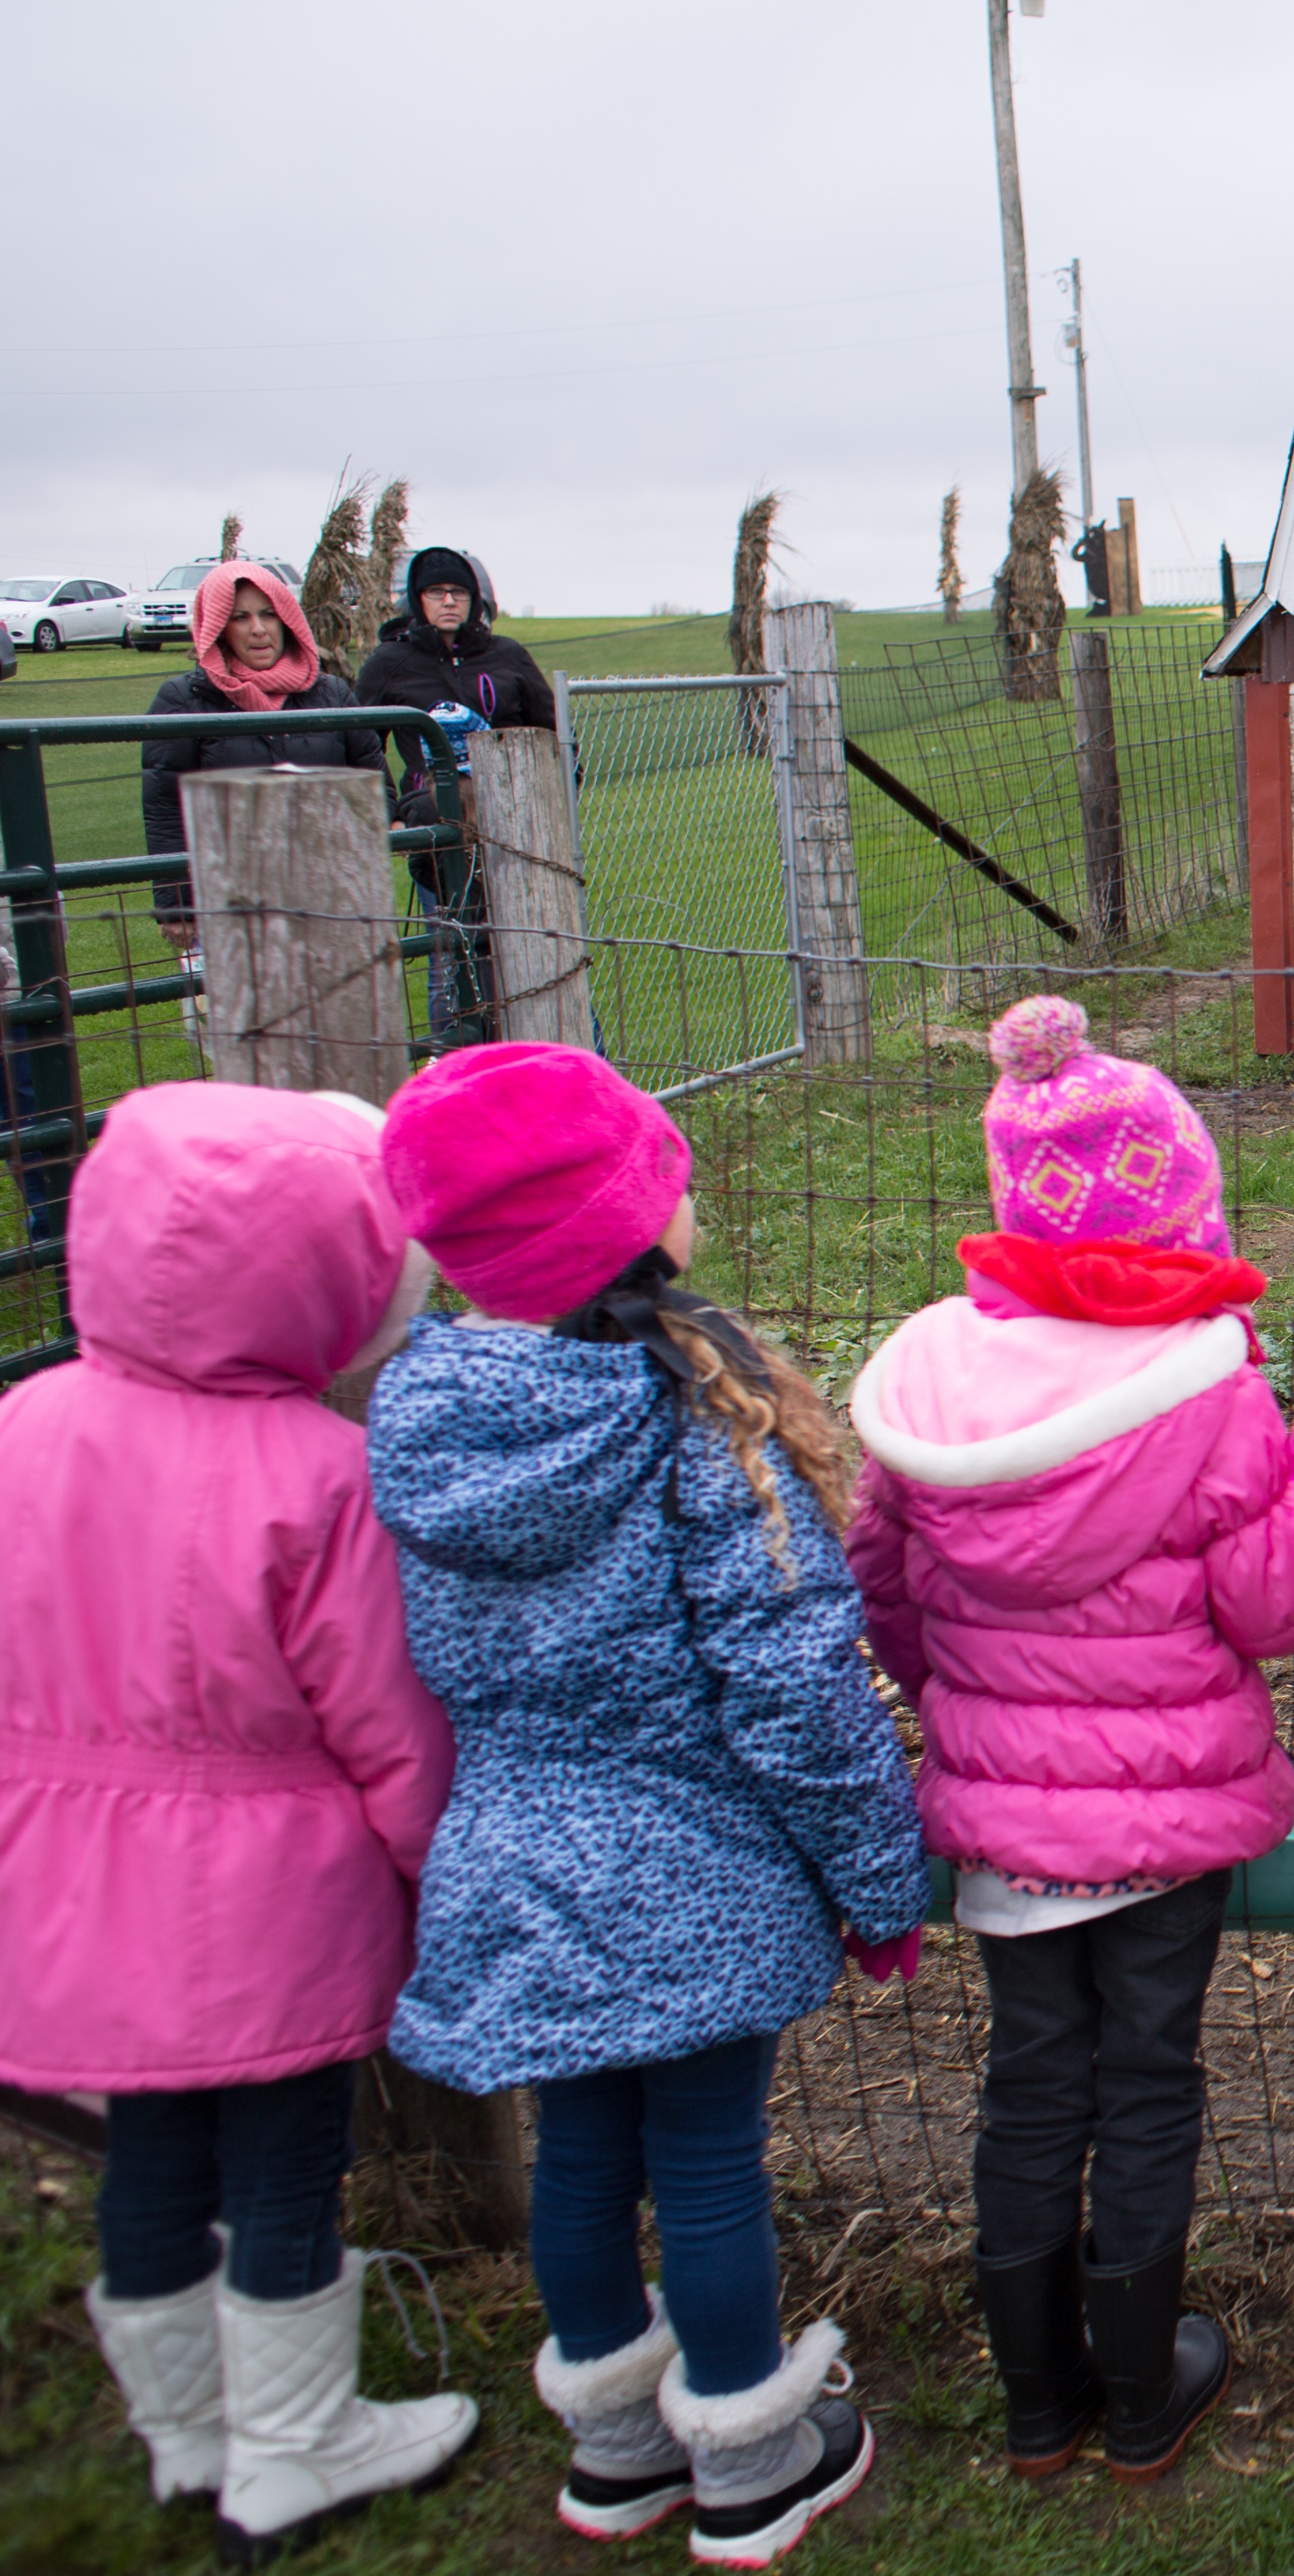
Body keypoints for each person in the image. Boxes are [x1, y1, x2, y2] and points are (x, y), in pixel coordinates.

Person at [368, 1044, 927, 2567]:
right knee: (702, 2163)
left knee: (581, 2157)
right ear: (623, 1226)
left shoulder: (420, 1417)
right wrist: (882, 1886)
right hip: (695, 1865)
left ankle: (617, 2449)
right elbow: (795, 1686)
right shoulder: (687, 1420)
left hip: (514, 1854)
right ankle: (750, 2453)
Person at [845, 996, 1294, 2484]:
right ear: (1182, 1208)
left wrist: (960, 1716)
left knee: (1031, 2081)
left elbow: (887, 1585)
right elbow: (1267, 1607)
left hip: (1006, 1824)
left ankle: (1034, 2396)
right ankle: (1142, 2382)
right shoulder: (1209, 1389)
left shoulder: (931, 1399)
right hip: (1167, 1816)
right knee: (1148, 2082)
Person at [0, 1083, 475, 2558]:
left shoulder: (24, 1427)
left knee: (149, 2154)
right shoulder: (322, 1479)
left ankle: (182, 2432)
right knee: (284, 2160)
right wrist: (438, 1868)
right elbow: (386, 1721)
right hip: (274, 1902)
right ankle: (295, 2441)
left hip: (70, 1886)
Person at [354, 547, 554, 1048]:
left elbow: (551, 733)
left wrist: (557, 796)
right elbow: (360, 746)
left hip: (517, 821)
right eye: (436, 592)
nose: (449, 602)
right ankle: (455, 1070)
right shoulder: (390, 664)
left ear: (476, 598)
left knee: (531, 944)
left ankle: (538, 1060)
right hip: (439, 826)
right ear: (415, 599)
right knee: (453, 952)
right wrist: (390, 814)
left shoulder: (507, 656)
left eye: (459, 592)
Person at [135, 562, 386, 946]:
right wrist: (177, 903)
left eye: (269, 614)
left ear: (287, 618)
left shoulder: (331, 694)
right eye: (240, 617)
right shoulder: (183, 701)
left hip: (330, 893)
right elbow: (166, 808)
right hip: (230, 899)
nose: (258, 629)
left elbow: (374, 781)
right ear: (218, 626)